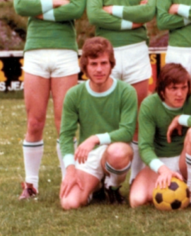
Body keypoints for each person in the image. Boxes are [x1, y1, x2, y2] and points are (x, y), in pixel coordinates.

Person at [14, 0, 87, 199]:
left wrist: (38, 7)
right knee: (34, 122)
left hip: (65, 53)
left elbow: (76, 9)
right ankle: (31, 185)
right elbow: (21, 6)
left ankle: (69, 180)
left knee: (63, 122)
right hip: (35, 53)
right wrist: (56, 2)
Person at [87, 0, 157, 183]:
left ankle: (136, 178)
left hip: (137, 53)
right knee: (107, 118)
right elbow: (95, 15)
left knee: (138, 117)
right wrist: (132, 19)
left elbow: (148, 13)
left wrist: (112, 10)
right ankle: (107, 180)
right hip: (107, 54)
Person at [59, 37, 138, 209]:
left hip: (115, 148)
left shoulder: (126, 91)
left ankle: (113, 187)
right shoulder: (74, 94)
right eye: (93, 64)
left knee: (118, 152)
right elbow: (65, 136)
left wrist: (94, 138)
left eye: (104, 63)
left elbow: (127, 132)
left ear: (111, 64)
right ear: (85, 66)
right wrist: (70, 170)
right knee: (69, 203)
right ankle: (95, 187)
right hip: (89, 155)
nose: (99, 69)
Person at [129, 63, 191, 208]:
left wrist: (180, 119)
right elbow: (145, 147)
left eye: (183, 87)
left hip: (185, 160)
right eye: (173, 88)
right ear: (162, 91)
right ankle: (172, 183)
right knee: (137, 200)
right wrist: (163, 170)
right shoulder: (149, 104)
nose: (180, 94)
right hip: (161, 161)